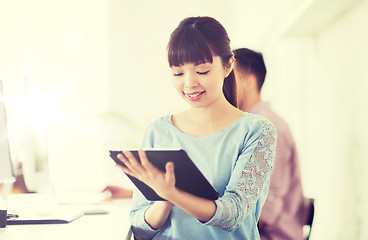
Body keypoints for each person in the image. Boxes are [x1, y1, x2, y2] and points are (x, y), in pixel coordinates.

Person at [115, 16, 277, 240]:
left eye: (202, 71)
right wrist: (164, 202)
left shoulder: (257, 131)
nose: (189, 83)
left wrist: (174, 193)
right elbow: (140, 230)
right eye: (178, 73)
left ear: (228, 65)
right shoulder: (157, 131)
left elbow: (234, 214)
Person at [233, 47, 304, 240]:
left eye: (228, 79)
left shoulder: (268, 128)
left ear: (247, 81)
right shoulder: (247, 126)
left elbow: (267, 211)